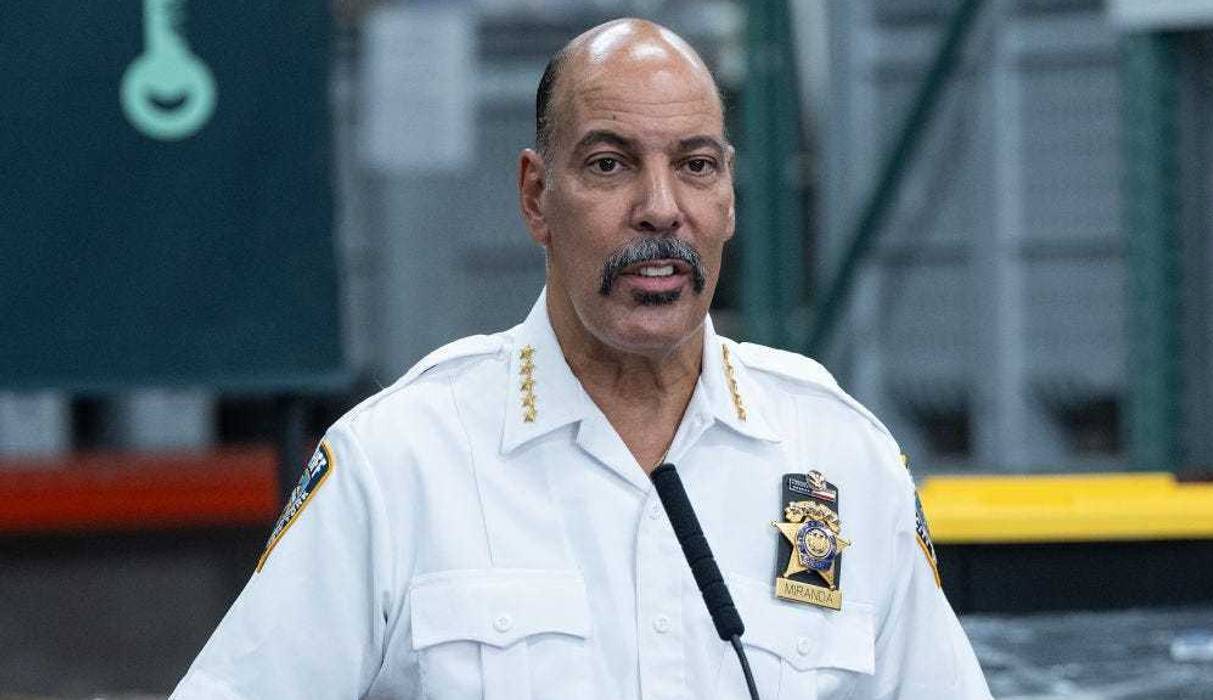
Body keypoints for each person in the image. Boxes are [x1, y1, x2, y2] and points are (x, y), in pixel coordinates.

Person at [171, 18, 992, 700]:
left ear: (729, 197)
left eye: (695, 165)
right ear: (536, 197)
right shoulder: (399, 462)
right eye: (610, 164)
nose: (660, 208)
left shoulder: (841, 456)